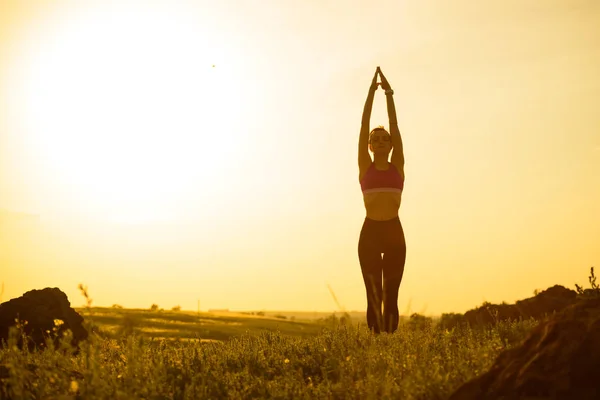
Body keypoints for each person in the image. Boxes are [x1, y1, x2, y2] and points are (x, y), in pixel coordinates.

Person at [357, 67, 406, 334]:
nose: (380, 141)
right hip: (371, 232)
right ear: (369, 145)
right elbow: (364, 124)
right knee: (373, 293)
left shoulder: (397, 165)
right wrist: (369, 93)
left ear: (390, 145)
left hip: (393, 231)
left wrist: (388, 93)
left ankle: (390, 343)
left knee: (392, 293)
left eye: (385, 139)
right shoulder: (365, 167)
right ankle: (376, 344)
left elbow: (395, 126)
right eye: (375, 139)